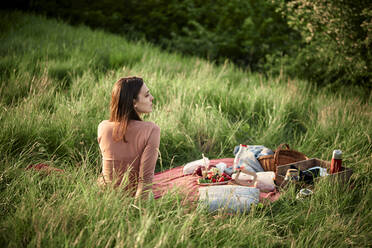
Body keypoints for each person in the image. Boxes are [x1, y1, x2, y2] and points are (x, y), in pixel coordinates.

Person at [97, 76, 160, 199]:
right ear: (133, 102)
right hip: (131, 198)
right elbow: (145, 180)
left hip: (103, 198)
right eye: (147, 95)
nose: (152, 98)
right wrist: (136, 212)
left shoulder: (103, 127)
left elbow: (109, 171)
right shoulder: (151, 130)